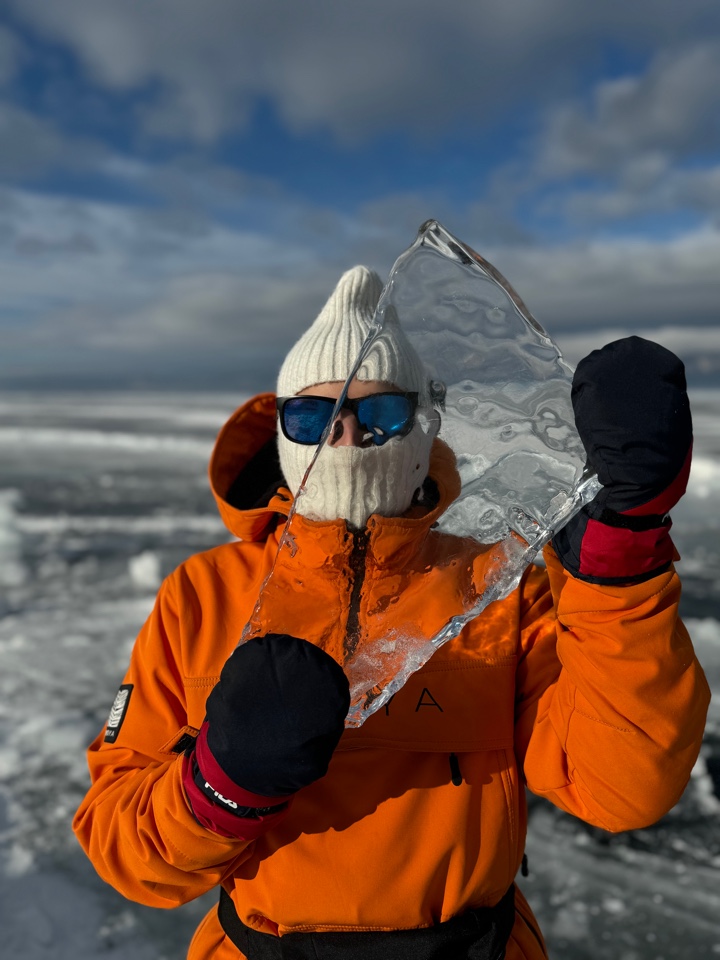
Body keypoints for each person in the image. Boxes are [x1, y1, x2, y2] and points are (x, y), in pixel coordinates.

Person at [74, 265, 710, 960]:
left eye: (378, 414)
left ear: (422, 427)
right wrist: (221, 784)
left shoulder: (497, 590)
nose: (346, 438)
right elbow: (122, 845)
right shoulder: (202, 595)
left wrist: (620, 557)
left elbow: (621, 788)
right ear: (285, 432)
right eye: (314, 416)